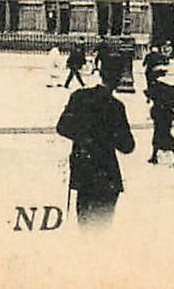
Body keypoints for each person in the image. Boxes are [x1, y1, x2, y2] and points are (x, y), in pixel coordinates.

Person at [56, 54, 136, 227]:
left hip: (83, 173)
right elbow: (127, 146)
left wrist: (84, 137)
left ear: (100, 72)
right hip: (107, 176)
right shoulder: (116, 107)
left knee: (84, 226)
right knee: (102, 229)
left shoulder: (79, 97)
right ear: (120, 76)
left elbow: (62, 127)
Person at [146, 64, 174, 166]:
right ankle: (154, 155)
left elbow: (152, 96)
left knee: (161, 134)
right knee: (162, 133)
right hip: (167, 114)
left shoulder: (156, 85)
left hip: (159, 113)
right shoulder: (172, 87)